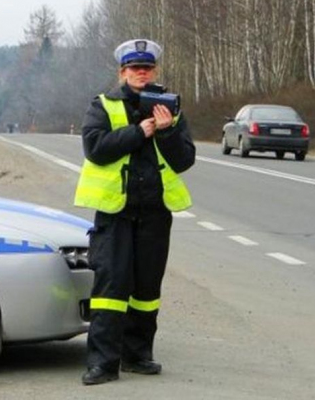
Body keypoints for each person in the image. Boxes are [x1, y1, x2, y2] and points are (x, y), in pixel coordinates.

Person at [74, 39, 196, 385]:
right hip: (116, 213)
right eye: (134, 68)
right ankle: (102, 363)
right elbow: (94, 148)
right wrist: (137, 132)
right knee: (111, 288)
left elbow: (184, 159)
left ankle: (138, 355)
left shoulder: (170, 108)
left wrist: (168, 130)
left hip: (155, 213)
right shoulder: (104, 105)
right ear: (122, 72)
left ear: (155, 71)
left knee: (146, 290)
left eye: (147, 68)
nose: (141, 73)